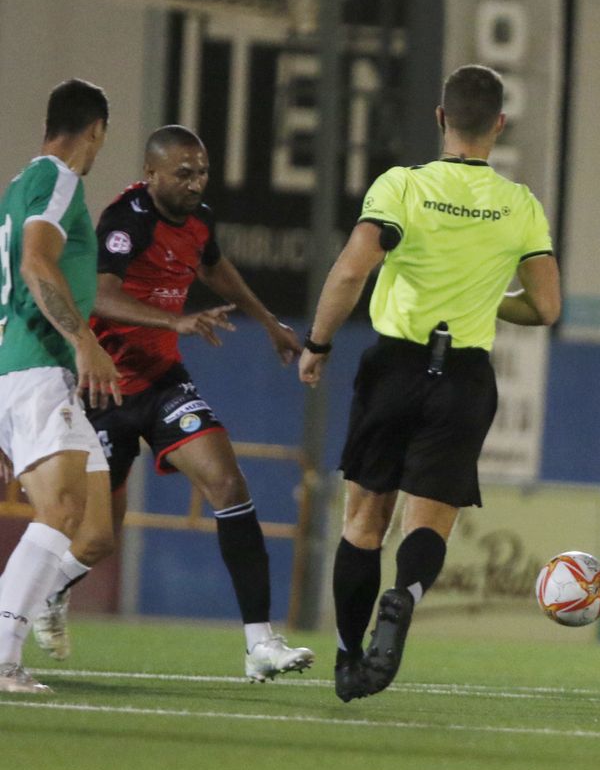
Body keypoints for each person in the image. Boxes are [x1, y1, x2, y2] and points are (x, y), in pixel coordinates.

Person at [300, 64, 560, 702]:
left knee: (364, 521)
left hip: (394, 366)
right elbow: (546, 307)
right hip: (463, 376)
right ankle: (405, 595)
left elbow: (350, 271)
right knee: (429, 524)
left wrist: (318, 343)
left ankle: (348, 658)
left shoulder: (402, 186)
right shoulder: (520, 205)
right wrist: (485, 297)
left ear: (441, 118)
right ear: (500, 124)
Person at [26, 125, 313, 680]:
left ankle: (260, 643)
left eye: (201, 172)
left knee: (228, 484)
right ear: (151, 173)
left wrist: (267, 320)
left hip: (162, 383)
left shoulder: (200, 219)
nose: (195, 182)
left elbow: (213, 265)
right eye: (183, 173)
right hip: (104, 389)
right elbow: (102, 296)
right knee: (97, 539)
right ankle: (46, 593)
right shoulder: (126, 220)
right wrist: (174, 320)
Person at [0, 79, 121, 694]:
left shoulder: (17, 187)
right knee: (62, 510)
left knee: (94, 529)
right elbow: (34, 263)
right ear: (95, 130)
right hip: (41, 368)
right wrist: (83, 340)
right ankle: (3, 654)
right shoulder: (59, 178)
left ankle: (21, 609)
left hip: (24, 371)